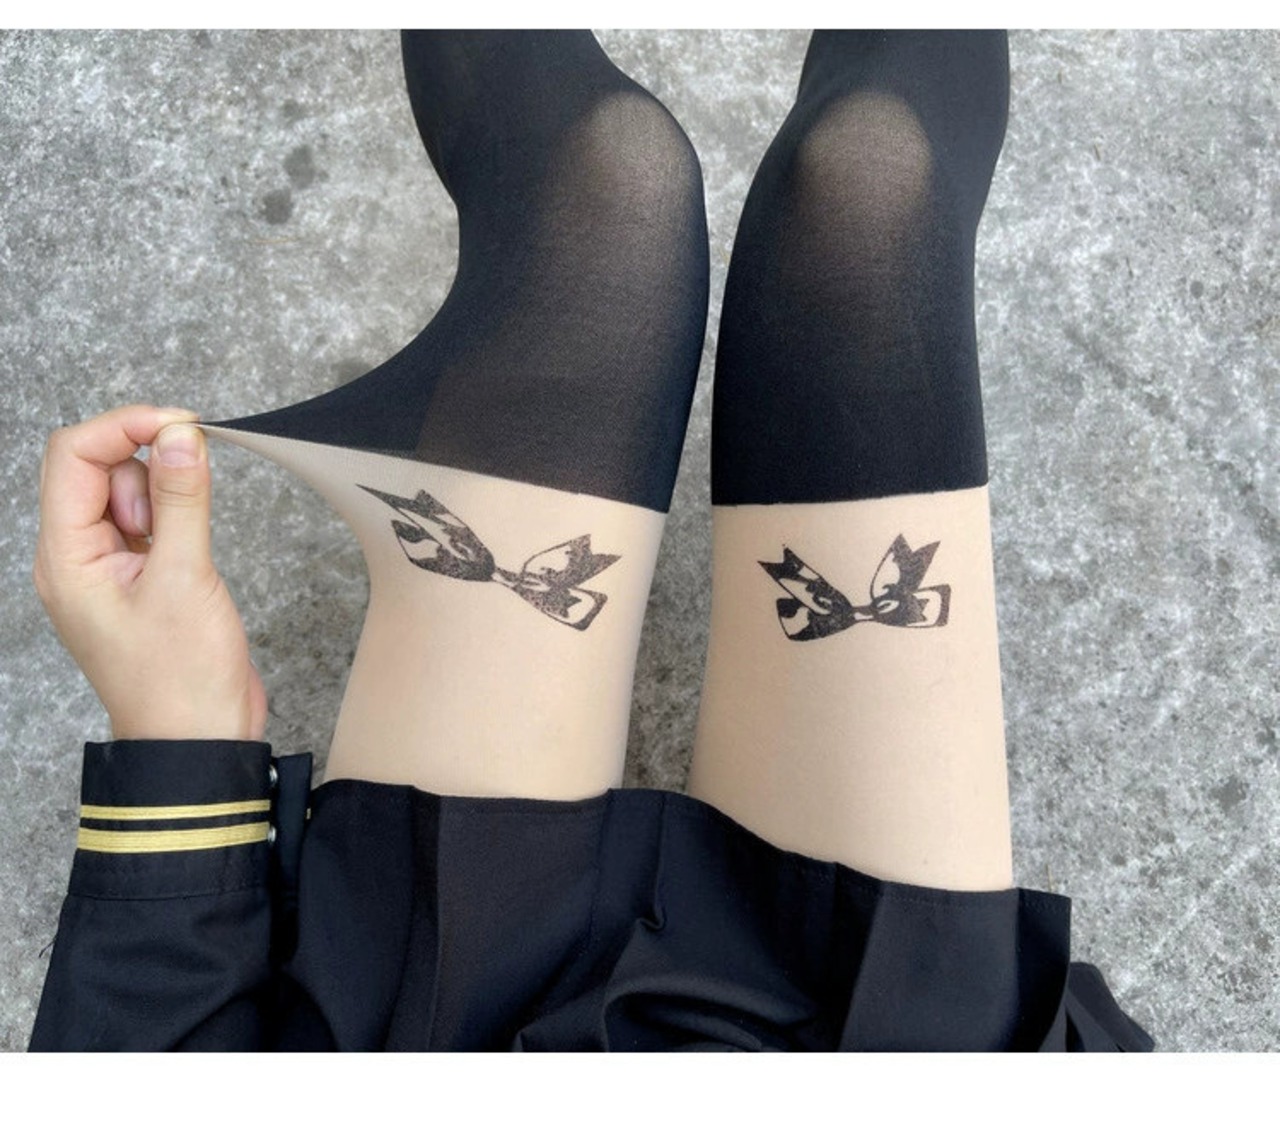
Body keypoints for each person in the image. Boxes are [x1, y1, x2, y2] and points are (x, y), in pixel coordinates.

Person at [29, 30, 1152, 1051]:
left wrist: (179, 745)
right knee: (871, 177)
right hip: (889, 1051)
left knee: (606, 182)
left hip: (429, 1031)